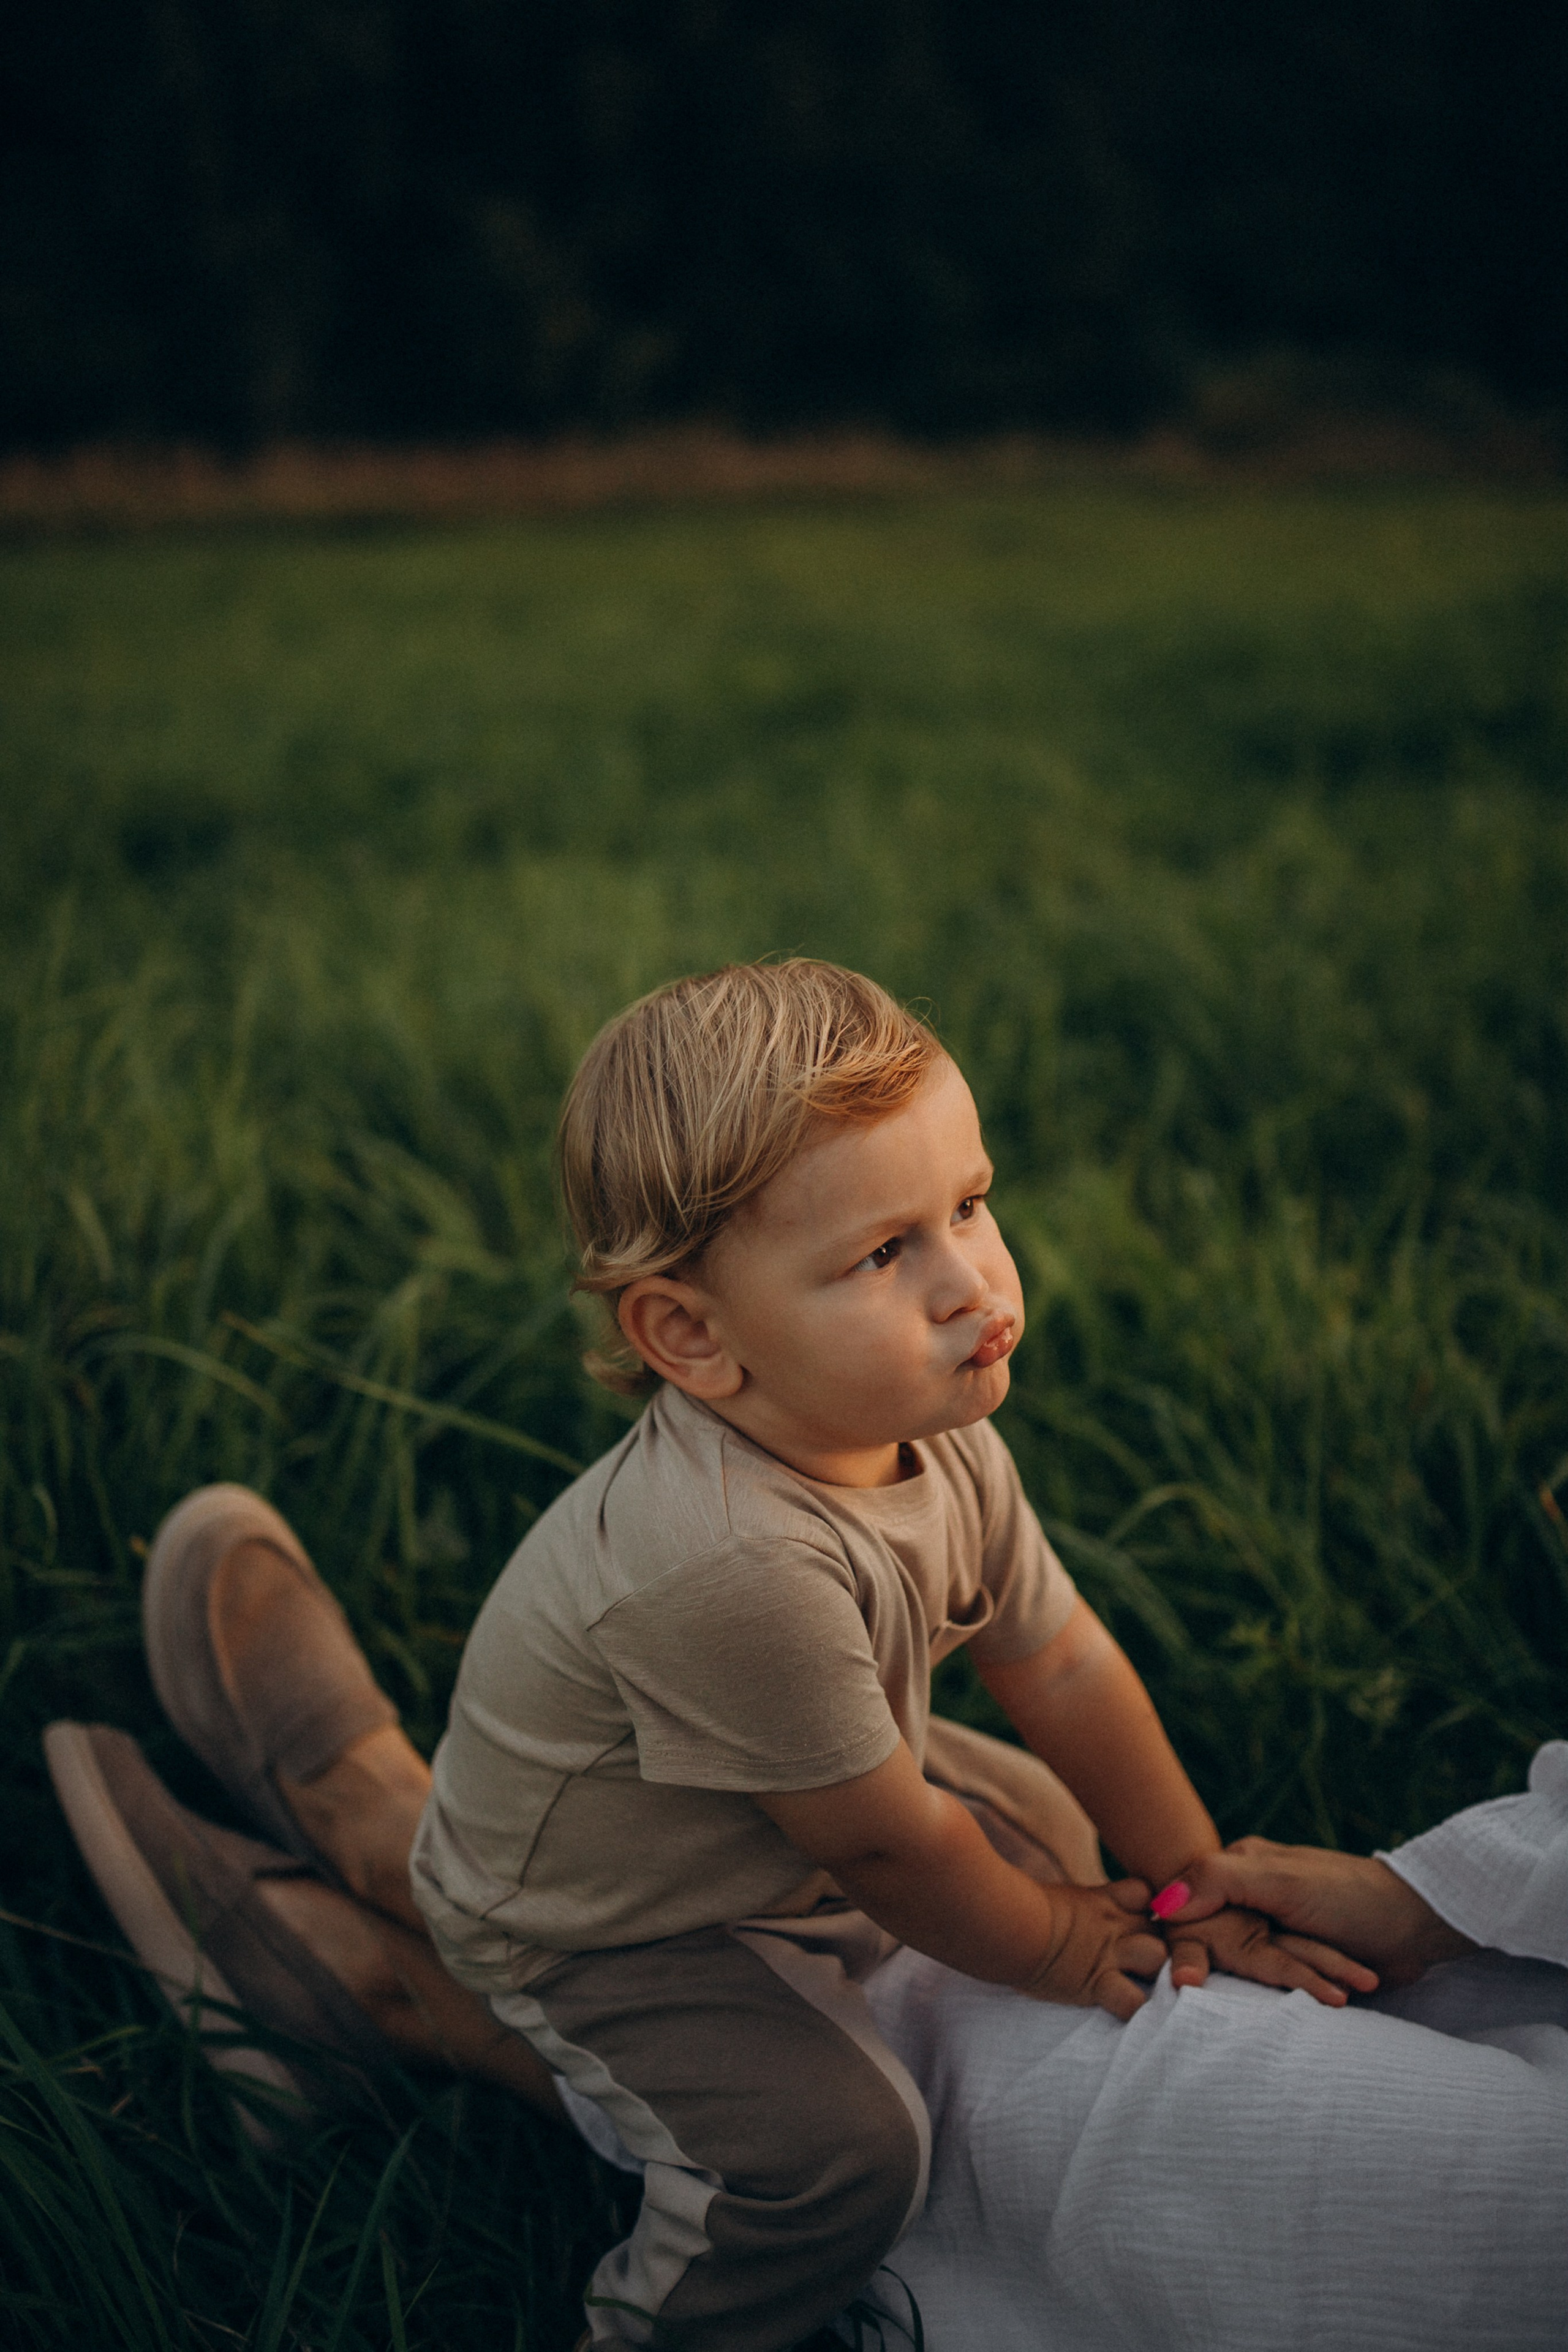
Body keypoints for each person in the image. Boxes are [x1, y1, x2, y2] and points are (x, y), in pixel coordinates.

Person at [42, 959, 1565, 2351]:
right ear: (691, 1338)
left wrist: (1185, 1886)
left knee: (1034, 1819)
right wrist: (1053, 1941)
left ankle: (373, 1866)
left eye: (970, 1205)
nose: (972, 1283)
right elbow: (887, 1846)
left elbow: (1063, 1659)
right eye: (885, 1251)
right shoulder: (730, 1562)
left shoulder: (921, 1430)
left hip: (742, 1823)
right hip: (612, 1924)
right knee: (841, 2156)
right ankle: (462, 2009)